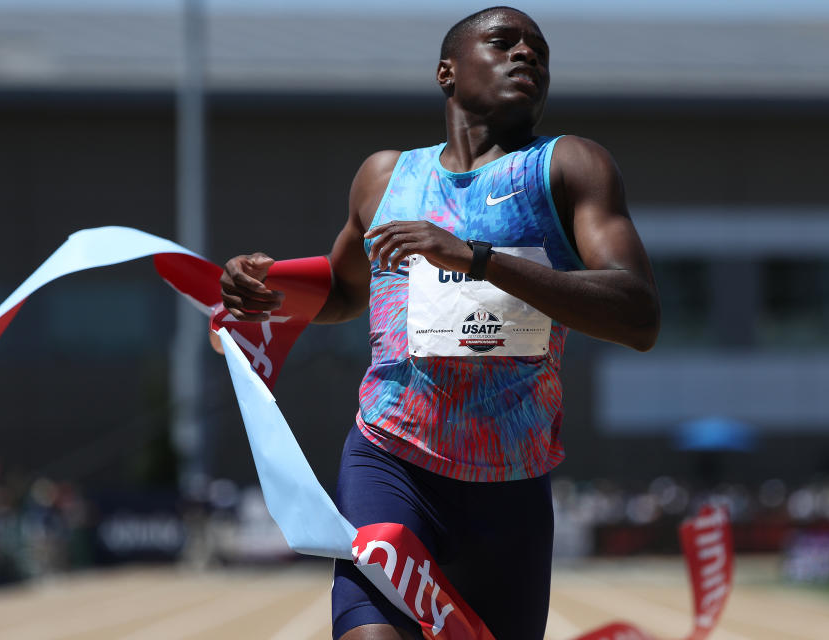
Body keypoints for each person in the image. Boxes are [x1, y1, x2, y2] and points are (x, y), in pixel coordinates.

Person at [220, 6, 660, 640]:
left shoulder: (568, 167)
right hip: (391, 461)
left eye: (539, 50)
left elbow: (638, 314)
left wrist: (477, 259)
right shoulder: (385, 177)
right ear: (446, 73)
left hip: (510, 487)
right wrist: (269, 287)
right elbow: (346, 292)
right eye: (504, 42)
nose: (527, 56)